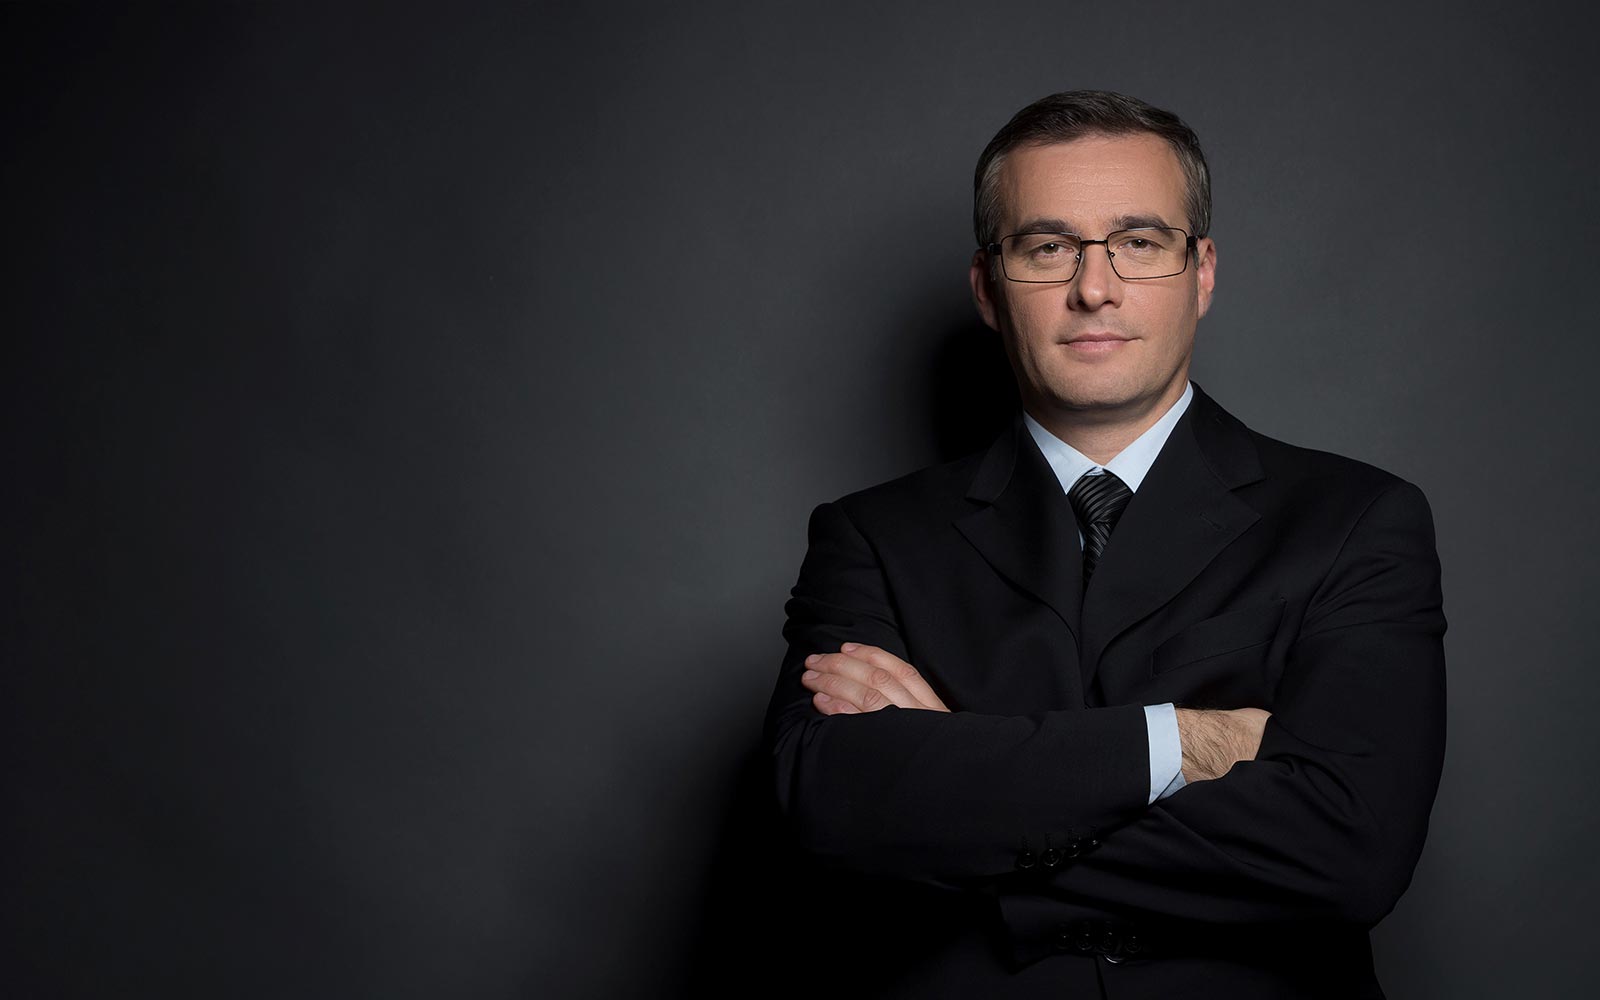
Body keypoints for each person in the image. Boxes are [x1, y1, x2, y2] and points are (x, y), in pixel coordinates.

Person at [760, 90, 1446, 999]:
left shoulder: (1356, 520)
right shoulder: (872, 537)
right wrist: (1179, 742)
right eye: (1047, 248)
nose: (1095, 288)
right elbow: (834, 813)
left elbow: (1350, 853)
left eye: (1140, 242)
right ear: (988, 288)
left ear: (1201, 273)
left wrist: (963, 788)